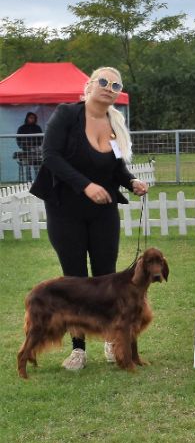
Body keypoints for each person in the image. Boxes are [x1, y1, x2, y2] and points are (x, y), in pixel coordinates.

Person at [29, 66, 149, 371]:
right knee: (76, 281)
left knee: (107, 278)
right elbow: (51, 157)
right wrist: (85, 185)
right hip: (65, 210)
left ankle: (113, 340)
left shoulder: (115, 124)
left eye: (116, 85)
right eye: (104, 82)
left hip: (103, 211)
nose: (109, 87)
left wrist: (131, 182)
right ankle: (78, 349)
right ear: (89, 85)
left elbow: (116, 168)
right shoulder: (67, 115)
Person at [15, 111, 44, 181]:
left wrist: (36, 145)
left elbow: (41, 139)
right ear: (27, 118)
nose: (32, 119)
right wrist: (22, 146)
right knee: (27, 166)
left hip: (36, 150)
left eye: (33, 118)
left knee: (37, 165)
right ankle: (28, 181)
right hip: (26, 150)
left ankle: (38, 181)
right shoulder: (22, 128)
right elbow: (18, 139)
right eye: (31, 118)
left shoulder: (37, 128)